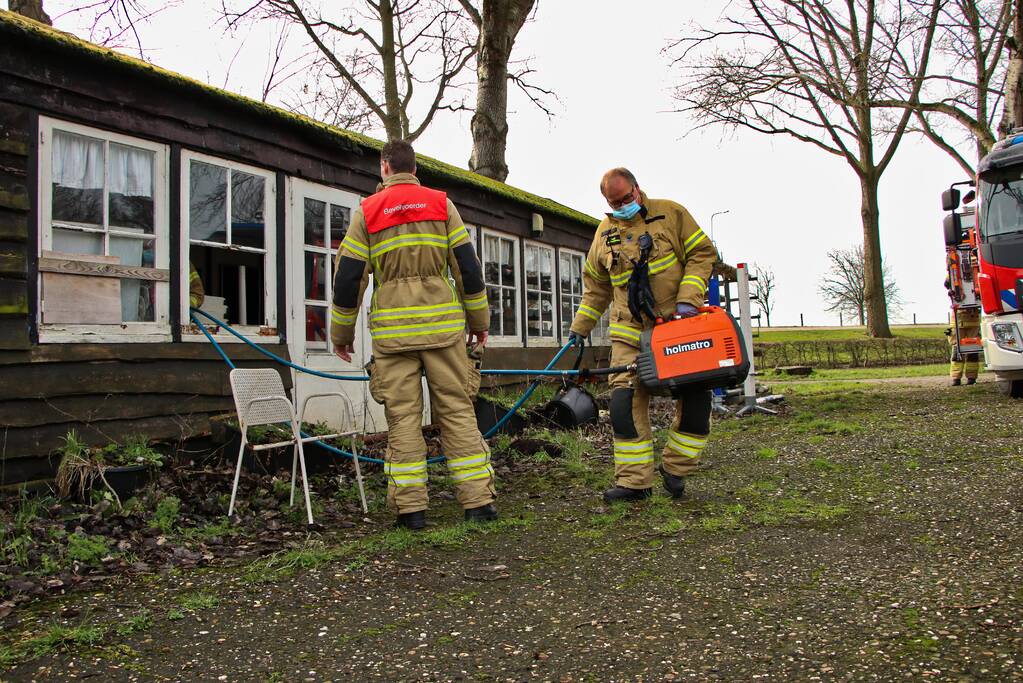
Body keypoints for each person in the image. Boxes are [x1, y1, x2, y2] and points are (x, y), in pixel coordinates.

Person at [330, 140, 494, 530]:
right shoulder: (441, 204)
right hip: (443, 330)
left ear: (384, 167)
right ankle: (478, 505)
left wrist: (341, 333)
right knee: (456, 411)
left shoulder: (368, 212)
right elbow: (467, 269)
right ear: (414, 168)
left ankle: (411, 511)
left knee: (403, 419)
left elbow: (350, 277)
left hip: (393, 334)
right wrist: (479, 322)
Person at [567, 168, 719, 503]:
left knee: (695, 401)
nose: (622, 206)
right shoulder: (604, 234)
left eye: (625, 198)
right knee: (623, 405)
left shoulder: (671, 214)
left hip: (678, 328)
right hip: (629, 335)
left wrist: (688, 300)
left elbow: (703, 254)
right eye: (613, 202)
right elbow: (596, 290)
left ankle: (677, 469)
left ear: (637, 189)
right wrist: (579, 330)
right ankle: (635, 483)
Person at [947, 307, 981, 386]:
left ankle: (959, 378)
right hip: (961, 321)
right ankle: (966, 378)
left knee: (971, 350)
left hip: (963, 321)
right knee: (964, 350)